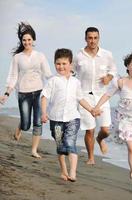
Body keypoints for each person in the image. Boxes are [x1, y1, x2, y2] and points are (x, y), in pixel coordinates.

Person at [93, 50, 132, 193]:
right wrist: (97, 106)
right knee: (131, 148)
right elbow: (107, 94)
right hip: (124, 119)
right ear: (128, 66)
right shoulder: (121, 81)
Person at [41, 48, 95, 181]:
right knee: (60, 147)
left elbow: (81, 99)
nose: (61, 67)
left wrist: (91, 110)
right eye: (58, 64)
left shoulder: (76, 82)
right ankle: (64, 171)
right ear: (55, 64)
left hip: (73, 118)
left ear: (70, 64)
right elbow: (44, 97)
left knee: (70, 143)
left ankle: (73, 172)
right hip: (56, 119)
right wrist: (43, 113)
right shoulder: (53, 81)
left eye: (64, 64)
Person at [0, 22, 52, 158]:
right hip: (23, 93)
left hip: (39, 92)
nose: (27, 42)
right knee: (26, 125)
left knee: (38, 122)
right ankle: (20, 126)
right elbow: (13, 76)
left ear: (33, 40)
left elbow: (48, 74)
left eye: (29, 39)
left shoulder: (40, 56)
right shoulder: (17, 58)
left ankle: (34, 150)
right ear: (21, 41)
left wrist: (59, 81)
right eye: (24, 40)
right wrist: (6, 93)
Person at [73, 26, 117, 165]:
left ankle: (100, 139)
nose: (92, 41)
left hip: (101, 96)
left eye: (95, 38)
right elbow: (72, 72)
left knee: (105, 129)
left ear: (99, 38)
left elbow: (114, 70)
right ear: (86, 39)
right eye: (90, 38)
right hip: (85, 96)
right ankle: (91, 158)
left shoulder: (107, 55)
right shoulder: (78, 55)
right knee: (89, 130)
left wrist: (109, 78)